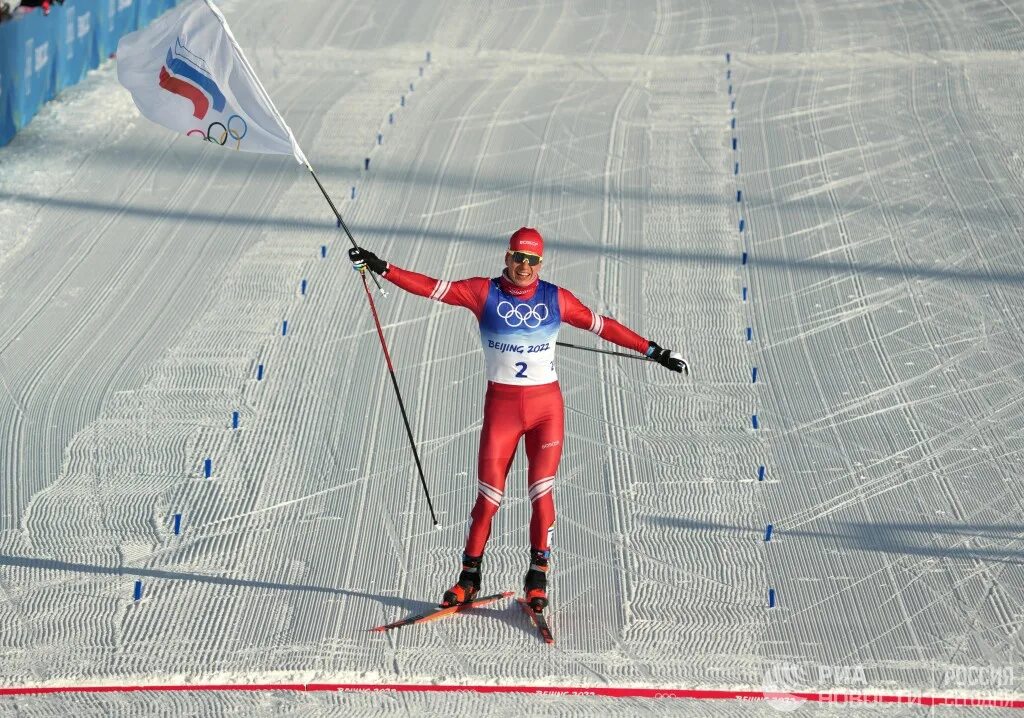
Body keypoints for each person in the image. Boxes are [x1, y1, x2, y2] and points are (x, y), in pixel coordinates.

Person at [349, 228, 687, 612]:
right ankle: (468, 579)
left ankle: (537, 578)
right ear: (507, 257)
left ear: (541, 263)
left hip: (546, 412)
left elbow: (604, 325)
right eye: (518, 257)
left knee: (541, 495)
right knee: (488, 501)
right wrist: (381, 267)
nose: (524, 266)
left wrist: (655, 351)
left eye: (533, 260)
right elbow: (431, 287)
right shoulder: (482, 292)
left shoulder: (556, 298)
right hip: (502, 411)